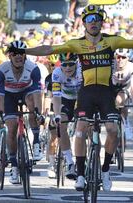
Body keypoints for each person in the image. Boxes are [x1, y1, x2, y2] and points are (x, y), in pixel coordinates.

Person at [11, 4, 133, 191]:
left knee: (113, 130)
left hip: (106, 92)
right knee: (81, 130)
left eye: (97, 19)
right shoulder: (77, 44)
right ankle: (81, 174)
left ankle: (106, 170)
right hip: (87, 93)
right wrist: (25, 51)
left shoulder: (112, 41)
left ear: (102, 22)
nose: (94, 23)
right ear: (84, 23)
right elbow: (49, 49)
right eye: (89, 19)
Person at [0, 41, 43, 184]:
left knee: (31, 104)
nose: (18, 56)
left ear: (25, 55)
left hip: (26, 92)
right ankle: (14, 166)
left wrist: (38, 112)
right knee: (11, 127)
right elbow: (0, 96)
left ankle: (36, 141)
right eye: (14, 53)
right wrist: (0, 115)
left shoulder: (33, 68)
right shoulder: (2, 70)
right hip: (9, 96)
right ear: (9, 55)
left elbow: (37, 93)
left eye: (21, 53)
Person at [51, 52, 82, 180]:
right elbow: (56, 96)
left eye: (71, 64)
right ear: (60, 65)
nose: (68, 68)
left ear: (76, 64)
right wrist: (57, 115)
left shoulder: (82, 71)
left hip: (82, 99)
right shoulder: (57, 73)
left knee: (88, 125)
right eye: (65, 65)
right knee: (61, 124)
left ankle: (89, 155)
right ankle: (70, 163)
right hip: (65, 100)